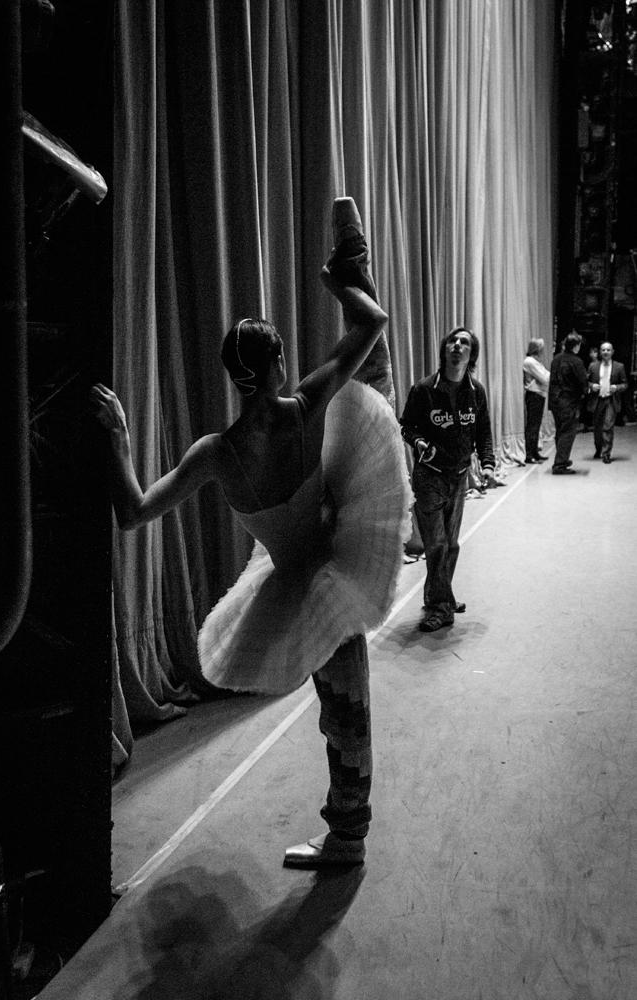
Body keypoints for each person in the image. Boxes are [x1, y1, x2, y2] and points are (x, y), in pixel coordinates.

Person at [91, 198, 411, 869]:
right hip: (331, 562)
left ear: (234, 378)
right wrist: (337, 283)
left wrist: (118, 440)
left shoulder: (217, 453)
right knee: (346, 707)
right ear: (278, 363)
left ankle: (347, 836)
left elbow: (133, 511)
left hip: (293, 577)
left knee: (340, 707)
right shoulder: (305, 406)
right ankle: (347, 832)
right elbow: (372, 323)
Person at [399, 327, 498, 634]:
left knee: (451, 544)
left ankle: (440, 597)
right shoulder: (424, 389)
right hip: (429, 478)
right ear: (444, 350)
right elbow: (407, 427)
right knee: (437, 544)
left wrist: (489, 464)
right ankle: (440, 608)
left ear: (471, 355)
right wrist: (419, 444)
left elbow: (483, 431)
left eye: (464, 343)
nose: (457, 345)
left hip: (459, 479)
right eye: (453, 341)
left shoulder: (476, 391)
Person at [547, 332, 587, 475]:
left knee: (560, 430)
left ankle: (561, 458)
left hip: (555, 401)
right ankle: (560, 464)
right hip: (569, 401)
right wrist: (586, 389)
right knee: (568, 432)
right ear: (575, 346)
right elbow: (582, 381)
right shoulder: (576, 361)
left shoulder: (556, 359)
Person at [587, 341, 628, 463]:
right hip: (597, 400)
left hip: (611, 400)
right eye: (603, 350)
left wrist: (617, 387)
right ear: (600, 352)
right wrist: (592, 385)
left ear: (612, 352)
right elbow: (585, 382)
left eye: (608, 350)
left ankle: (606, 454)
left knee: (608, 427)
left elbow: (625, 384)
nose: (605, 352)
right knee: (597, 428)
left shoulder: (619, 367)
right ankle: (598, 449)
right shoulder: (593, 366)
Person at [522, 338, 550, 463]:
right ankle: (529, 455)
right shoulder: (530, 362)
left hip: (539, 394)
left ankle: (534, 452)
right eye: (541, 348)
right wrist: (549, 375)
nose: (542, 351)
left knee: (536, 425)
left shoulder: (536, 362)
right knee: (532, 426)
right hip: (534, 395)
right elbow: (545, 378)